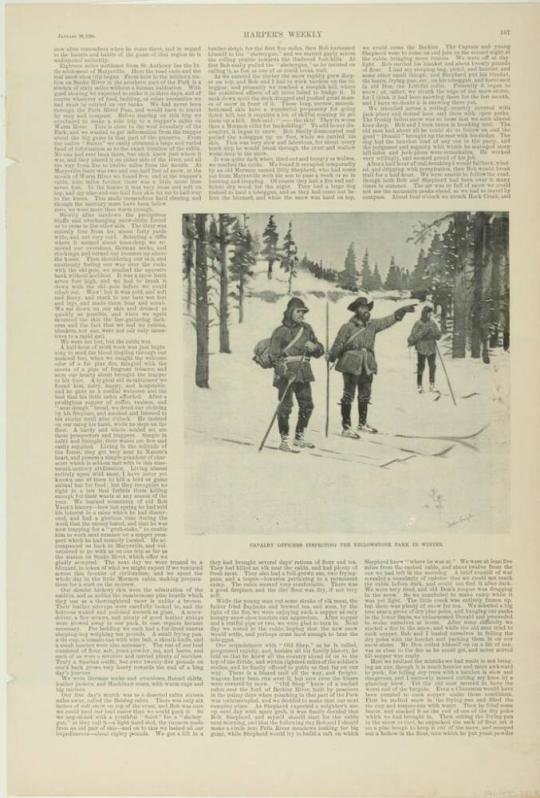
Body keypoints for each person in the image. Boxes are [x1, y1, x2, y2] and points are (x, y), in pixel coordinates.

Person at [327, 293, 415, 437]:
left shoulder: (372, 325)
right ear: (356, 310)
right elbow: (338, 344)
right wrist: (331, 356)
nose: (366, 311)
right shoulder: (347, 327)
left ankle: (362, 423)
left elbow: (388, 321)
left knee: (365, 394)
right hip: (350, 363)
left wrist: (402, 310)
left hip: (367, 363)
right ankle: (346, 427)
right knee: (348, 395)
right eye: (362, 308)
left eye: (367, 308)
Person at [269, 297, 325, 452]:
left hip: (304, 371)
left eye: (303, 311)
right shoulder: (280, 332)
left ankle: (299, 437)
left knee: (307, 405)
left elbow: (320, 351)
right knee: (285, 407)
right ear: (290, 312)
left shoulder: (307, 329)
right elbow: (274, 357)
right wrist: (285, 372)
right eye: (298, 311)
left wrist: (315, 347)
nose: (302, 314)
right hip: (286, 373)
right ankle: (284, 440)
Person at [407, 305, 442, 393]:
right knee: (420, 367)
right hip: (421, 348)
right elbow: (413, 336)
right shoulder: (418, 323)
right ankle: (419, 385)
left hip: (431, 348)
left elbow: (438, 334)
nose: (430, 315)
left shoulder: (432, 323)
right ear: (425, 313)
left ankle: (432, 384)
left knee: (432, 367)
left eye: (431, 313)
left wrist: (435, 335)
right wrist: (424, 332)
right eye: (429, 313)